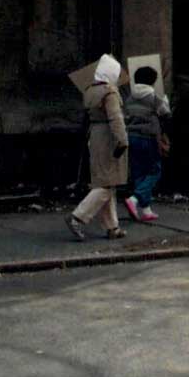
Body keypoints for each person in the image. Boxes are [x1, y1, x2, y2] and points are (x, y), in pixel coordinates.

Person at [65, 54, 129, 241]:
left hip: (95, 136)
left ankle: (112, 227)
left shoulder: (91, 91)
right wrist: (122, 141)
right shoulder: (110, 92)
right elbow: (116, 119)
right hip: (109, 137)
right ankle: (78, 217)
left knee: (106, 181)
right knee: (106, 184)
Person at [120, 65, 172, 223]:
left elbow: (124, 116)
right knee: (155, 171)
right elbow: (166, 114)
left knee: (139, 173)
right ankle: (134, 199)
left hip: (132, 137)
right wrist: (166, 101)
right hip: (148, 137)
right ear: (153, 81)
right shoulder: (155, 97)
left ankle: (145, 209)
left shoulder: (129, 98)